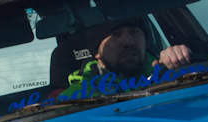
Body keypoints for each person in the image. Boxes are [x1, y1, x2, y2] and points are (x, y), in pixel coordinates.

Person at [62, 21, 191, 95]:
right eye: (115, 35)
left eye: (135, 32)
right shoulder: (75, 98)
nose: (128, 41)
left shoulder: (171, 72)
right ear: (97, 52)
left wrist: (182, 73)